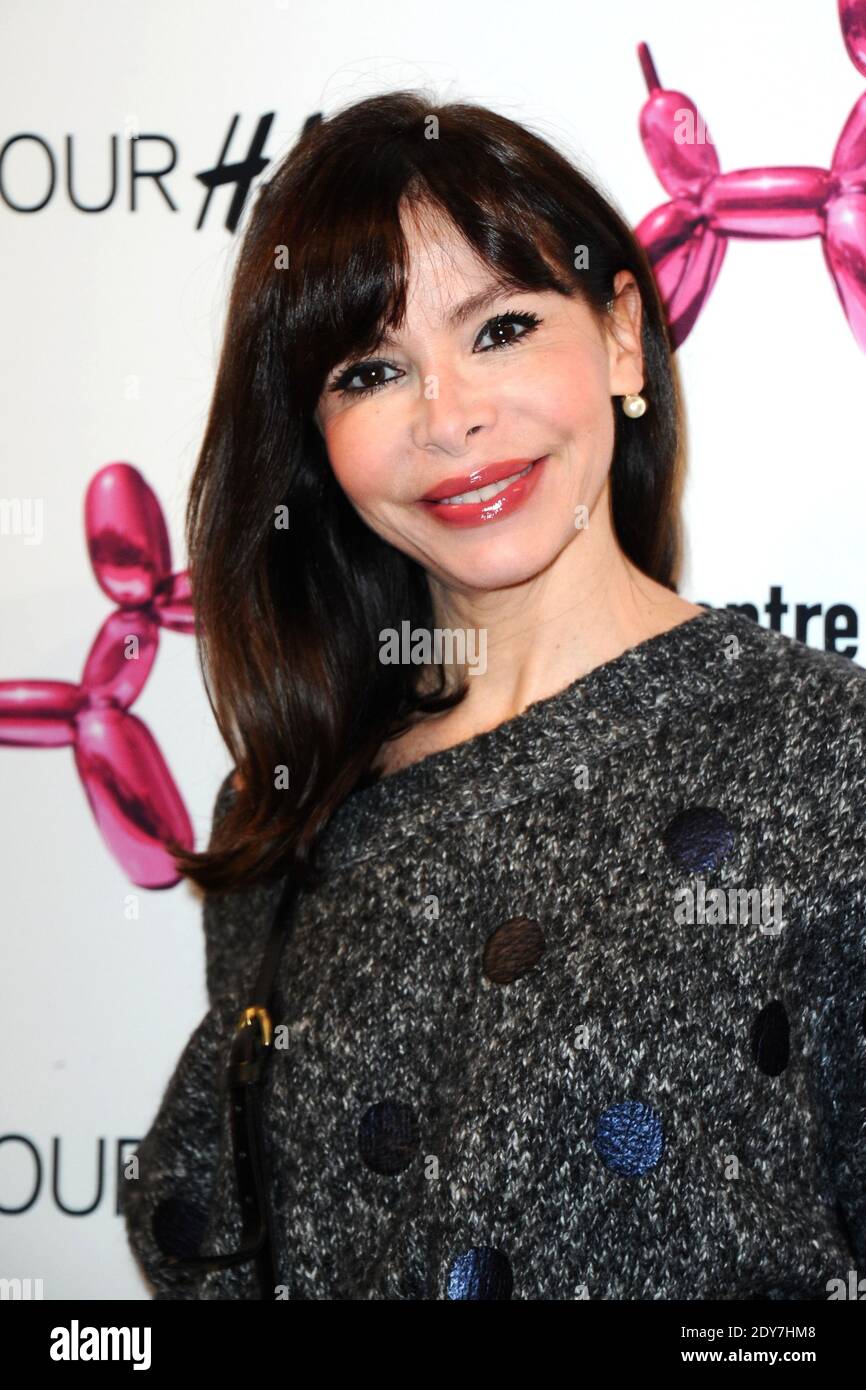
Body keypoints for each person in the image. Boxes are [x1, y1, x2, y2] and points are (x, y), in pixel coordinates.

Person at [121, 90, 866, 1300]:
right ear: (316, 443)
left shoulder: (830, 761)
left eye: (502, 329)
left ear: (621, 335)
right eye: (371, 369)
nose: (450, 416)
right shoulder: (290, 809)